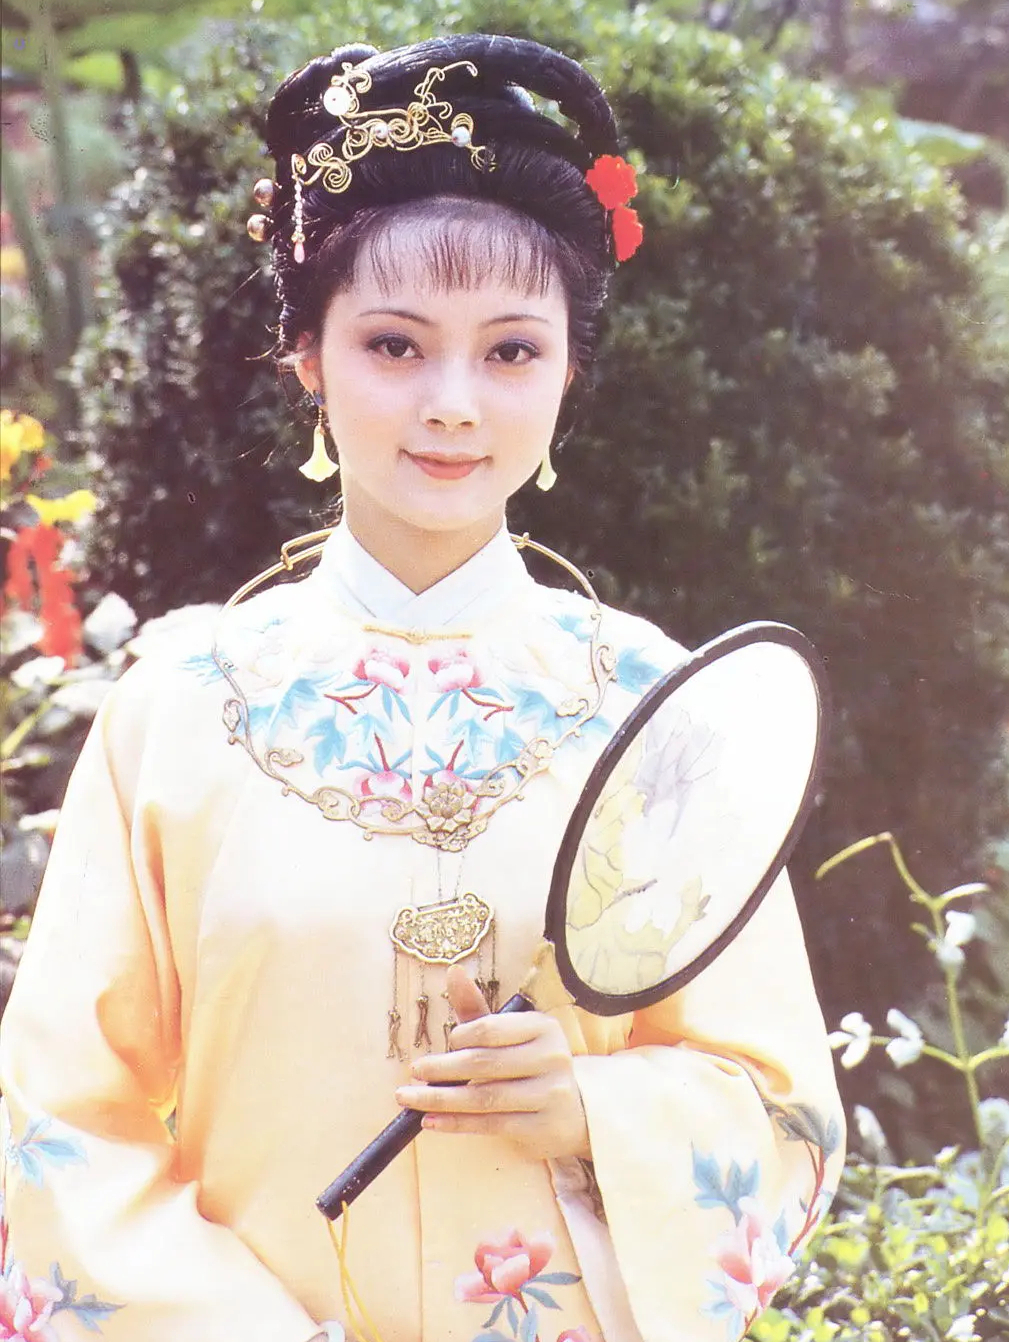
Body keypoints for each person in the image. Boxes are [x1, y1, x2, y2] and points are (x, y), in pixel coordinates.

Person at [0, 33, 845, 1342]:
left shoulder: (655, 707)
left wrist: (592, 1109)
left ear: (568, 372)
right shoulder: (179, 708)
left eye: (511, 352)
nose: (453, 404)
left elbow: (781, 1107)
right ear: (306, 356)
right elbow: (56, 1125)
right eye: (395, 345)